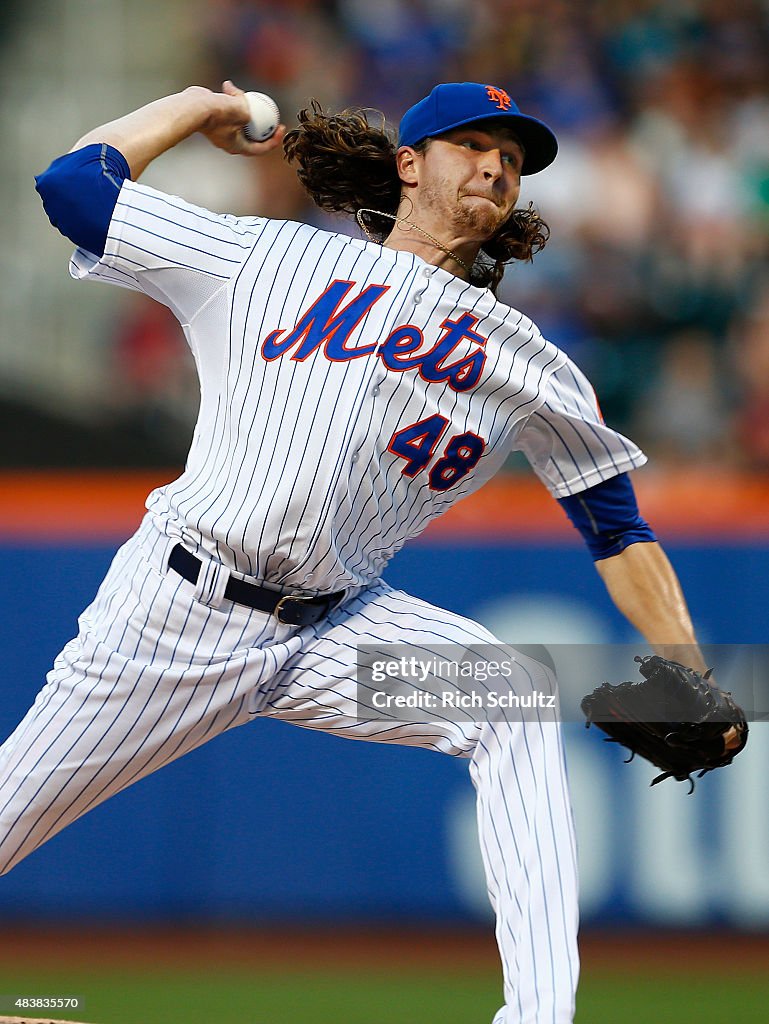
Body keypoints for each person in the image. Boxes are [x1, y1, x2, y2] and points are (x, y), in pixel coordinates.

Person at [1, 80, 730, 1024]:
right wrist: (190, 108)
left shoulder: (530, 364)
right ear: (410, 163)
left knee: (508, 699)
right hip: (173, 612)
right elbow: (72, 186)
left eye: (512, 160)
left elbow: (618, 530)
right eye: (474, 145)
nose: (496, 167)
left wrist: (687, 670)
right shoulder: (266, 257)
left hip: (335, 628)